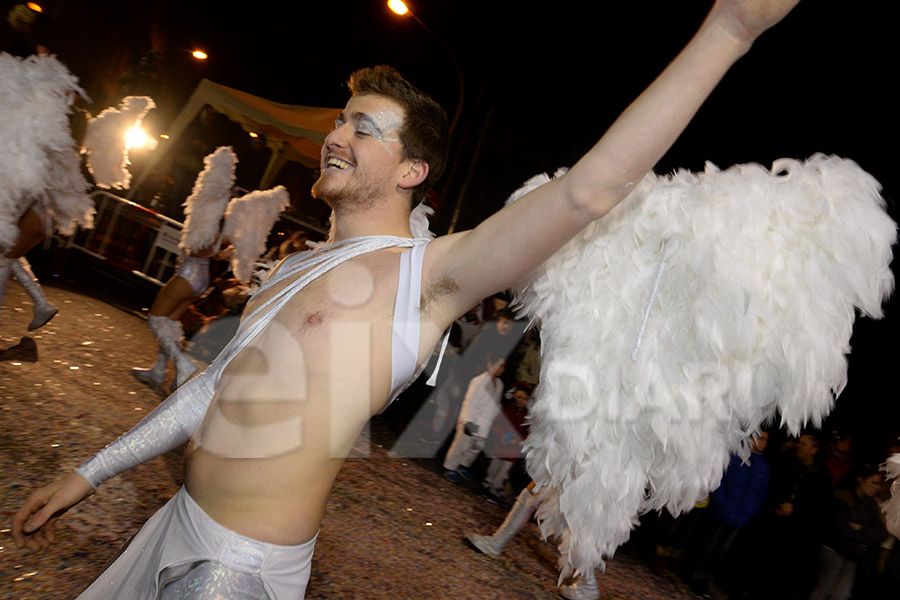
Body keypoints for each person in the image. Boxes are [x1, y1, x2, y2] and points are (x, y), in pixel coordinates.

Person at [12, 2, 803, 597]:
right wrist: (90, 471)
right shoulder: (294, 269)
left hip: (235, 572)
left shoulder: (430, 277)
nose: (336, 134)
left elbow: (587, 193)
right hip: (172, 526)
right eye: (342, 118)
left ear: (412, 171)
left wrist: (728, 30)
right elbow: (216, 392)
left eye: (364, 127)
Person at [443, 353, 506, 483]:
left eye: (503, 367)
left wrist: (493, 419)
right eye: (498, 365)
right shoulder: (479, 381)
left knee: (475, 447)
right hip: (471, 419)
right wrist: (468, 421)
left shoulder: (499, 384)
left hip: (485, 422)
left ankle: (463, 465)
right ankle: (450, 467)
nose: (501, 369)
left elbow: (495, 404)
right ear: (490, 365)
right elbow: (469, 402)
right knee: (461, 445)